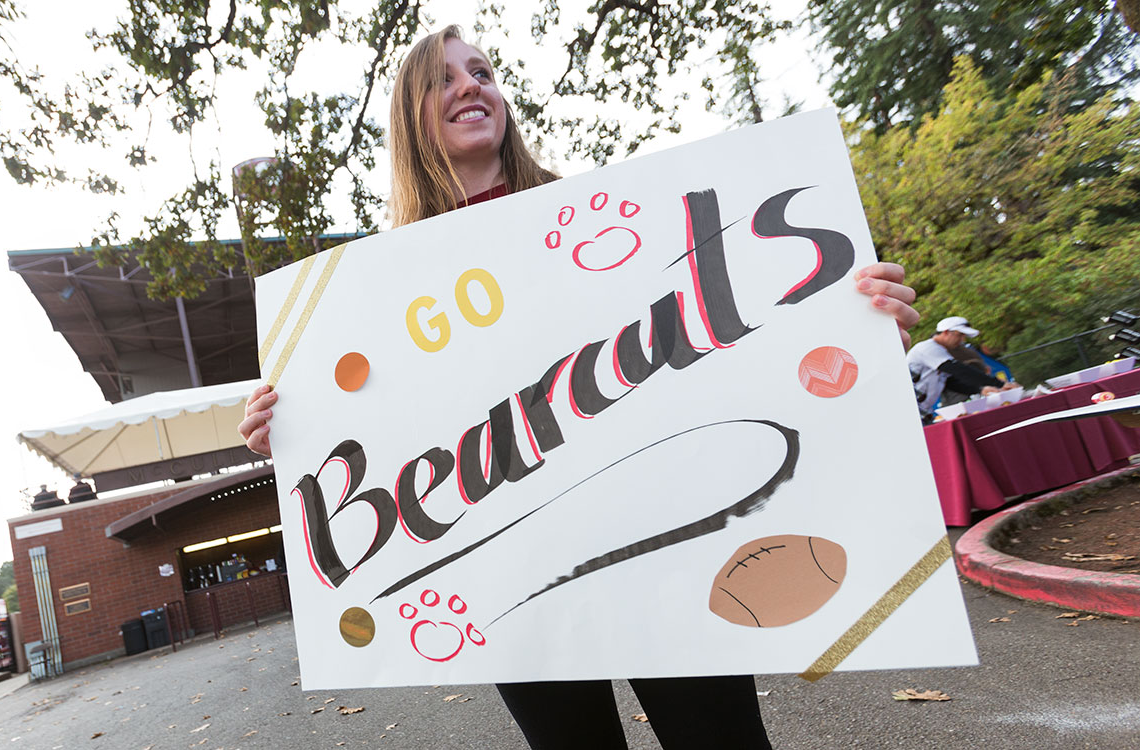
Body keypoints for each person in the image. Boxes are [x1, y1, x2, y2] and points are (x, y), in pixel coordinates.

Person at [238, 25, 922, 750]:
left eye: (482, 70)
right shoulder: (376, 293)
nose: (471, 85)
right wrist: (288, 429)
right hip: (509, 569)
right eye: (443, 78)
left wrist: (848, 323)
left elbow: (721, 338)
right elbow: (365, 440)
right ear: (411, 115)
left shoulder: (601, 218)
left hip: (656, 533)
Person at [908, 316, 1016, 422]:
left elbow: (950, 383)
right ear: (946, 332)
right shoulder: (928, 348)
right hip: (910, 411)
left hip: (922, 412)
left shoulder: (942, 351)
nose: (962, 340)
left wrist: (980, 389)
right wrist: (998, 383)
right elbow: (959, 370)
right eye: (959, 335)